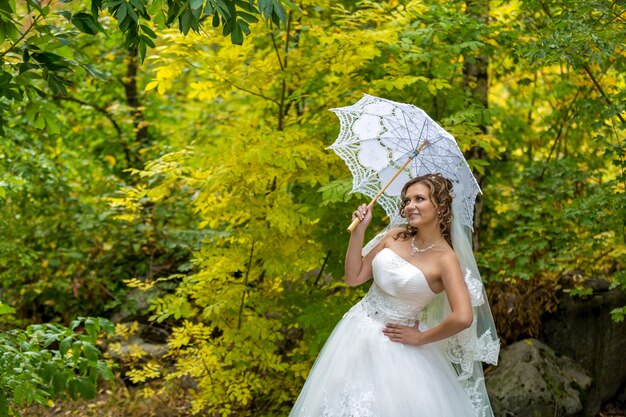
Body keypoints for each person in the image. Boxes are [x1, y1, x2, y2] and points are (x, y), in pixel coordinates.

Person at [289, 173, 499, 417]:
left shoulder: (446, 259)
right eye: (407, 200)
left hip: (397, 347)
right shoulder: (395, 235)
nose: (410, 206)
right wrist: (359, 231)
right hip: (355, 333)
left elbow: (463, 317)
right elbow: (353, 277)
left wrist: (421, 338)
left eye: (419, 199)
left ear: (440, 206)